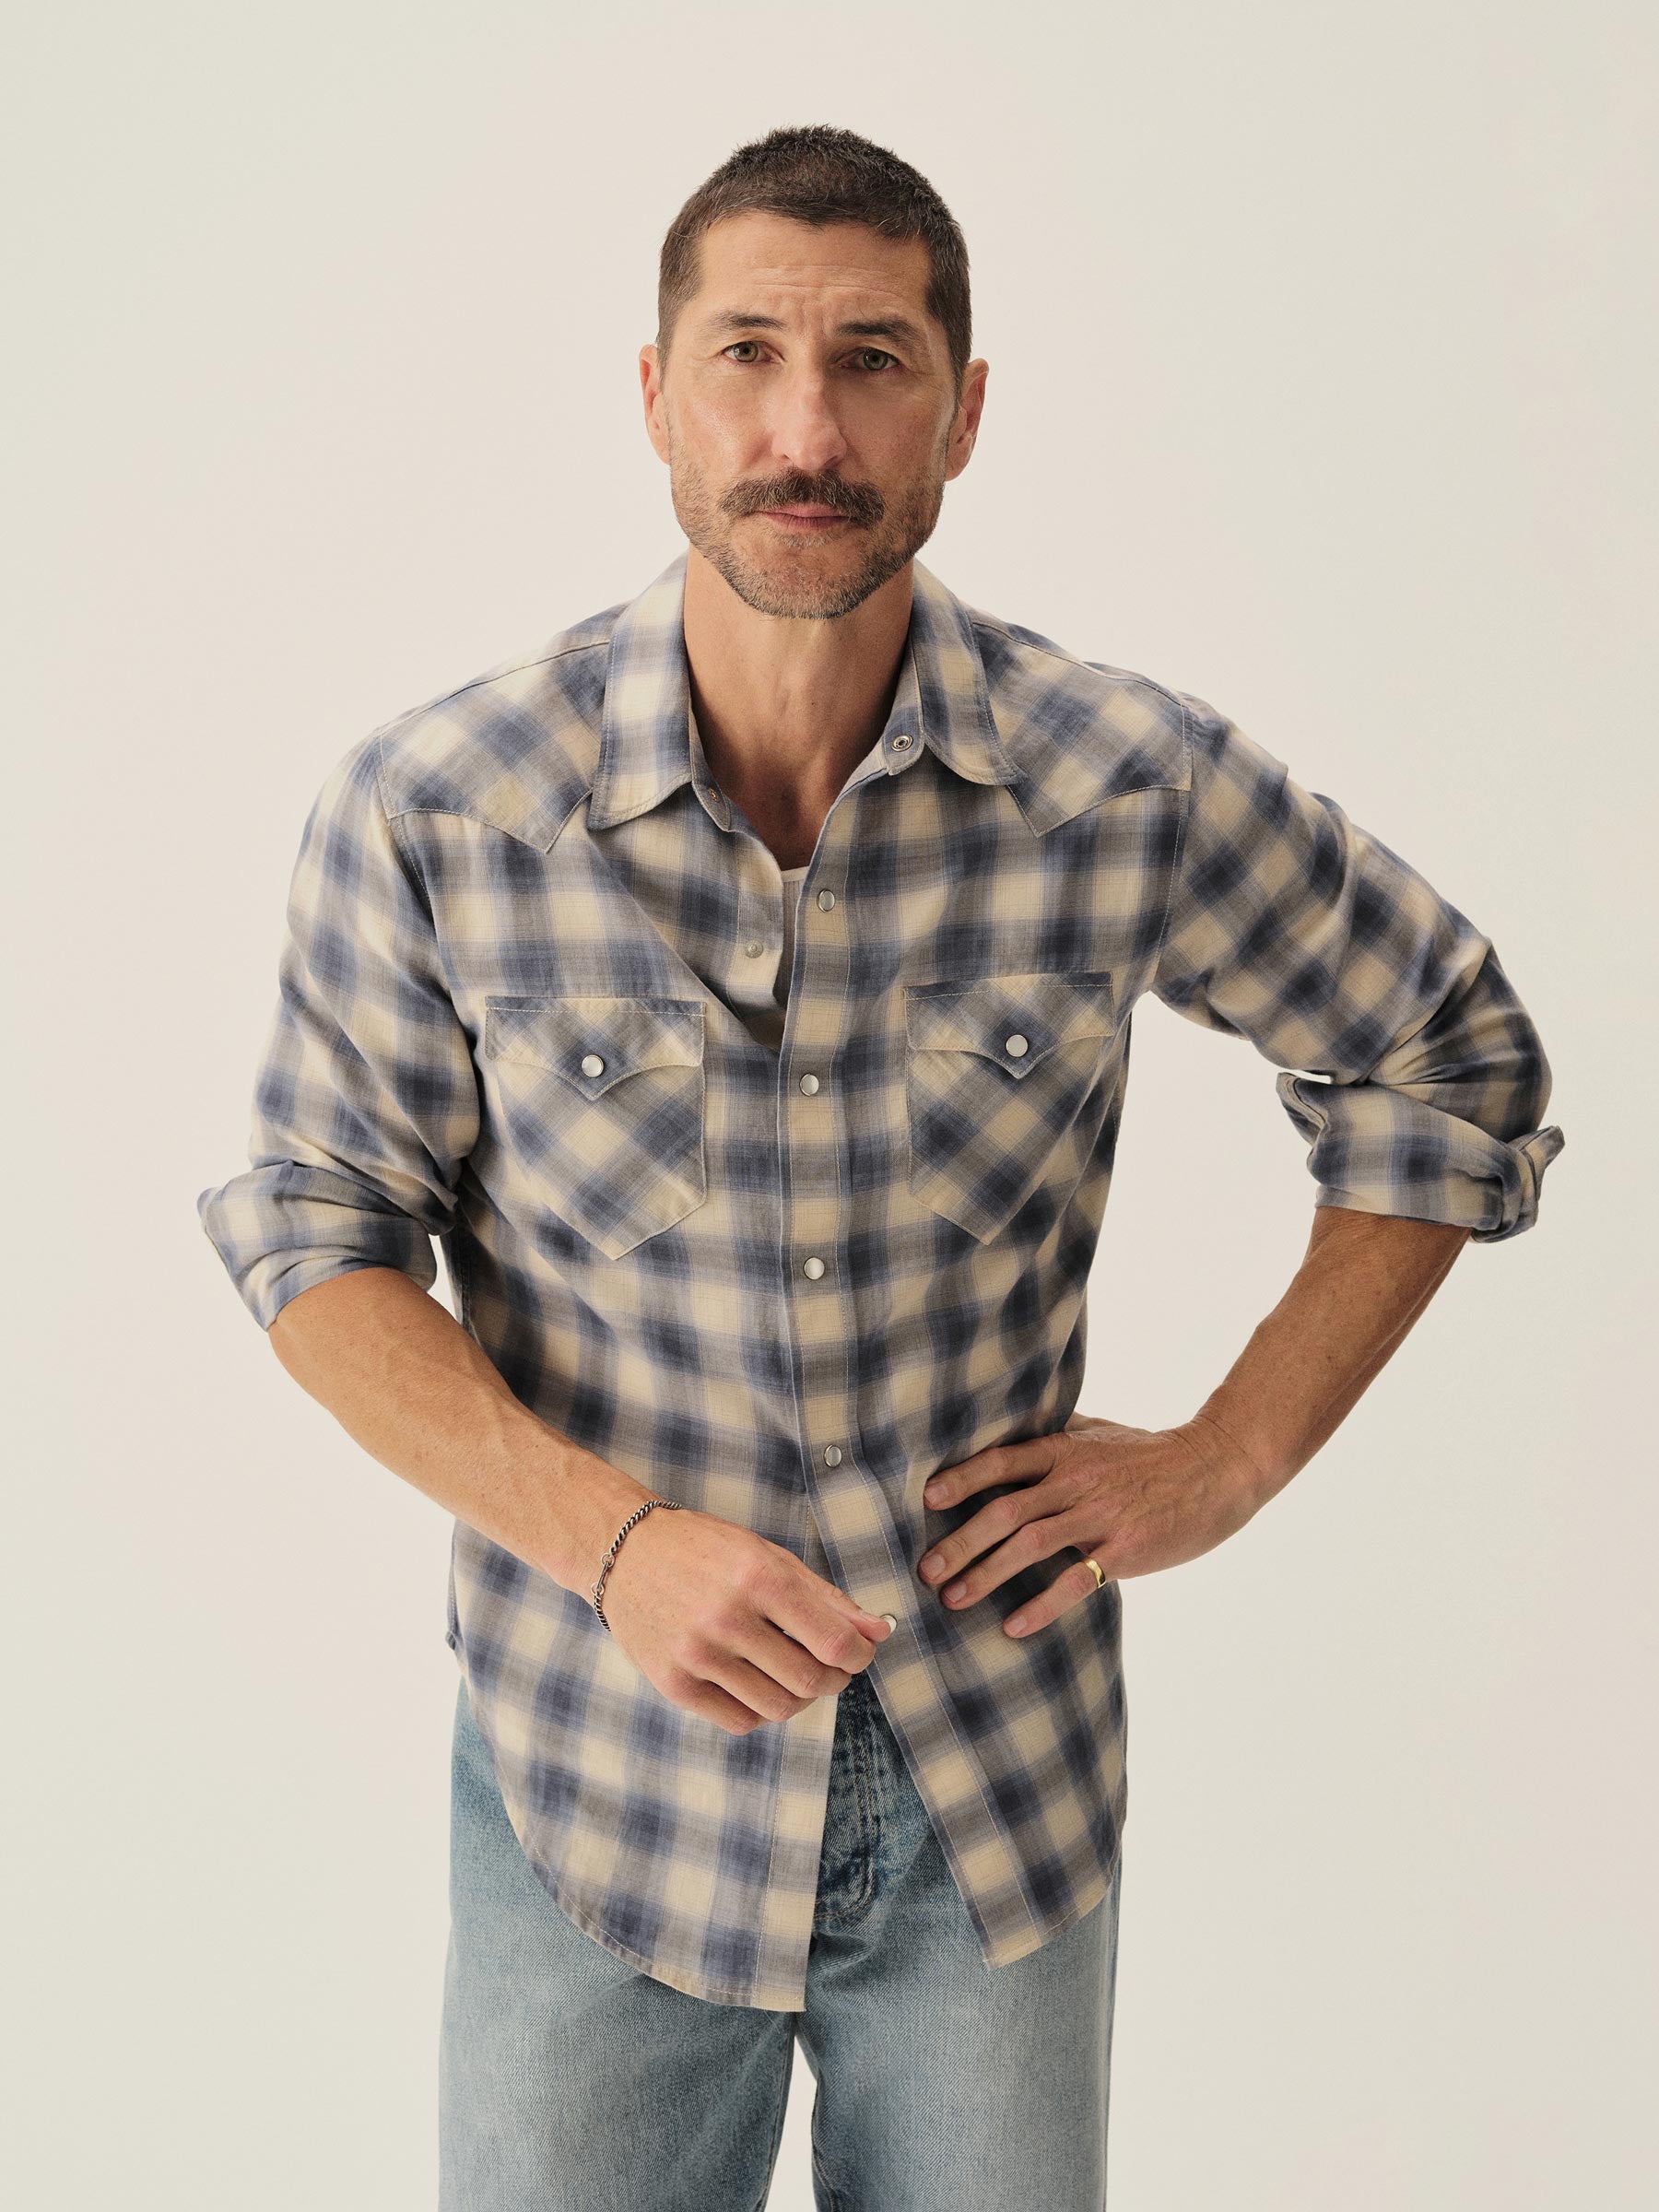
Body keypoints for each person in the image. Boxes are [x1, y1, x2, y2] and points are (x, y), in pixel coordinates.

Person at [195, 124, 1565, 2210]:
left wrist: (1230, 1458)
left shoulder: (1123, 784)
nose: (806, 431)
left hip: (993, 1799)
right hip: (598, 1786)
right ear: (655, 397)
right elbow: (319, 1238)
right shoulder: (441, 806)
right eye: (746, 355)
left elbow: (1449, 1055)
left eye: (874, 361)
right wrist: (613, 1544)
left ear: (965, 412)